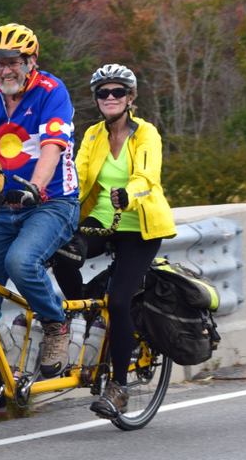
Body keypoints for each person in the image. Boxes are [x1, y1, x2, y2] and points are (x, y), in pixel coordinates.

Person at [0, 23, 80, 378]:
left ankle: (56, 324)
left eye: (13, 61)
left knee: (20, 262)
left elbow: (52, 148)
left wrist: (35, 187)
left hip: (51, 203)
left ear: (31, 60)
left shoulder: (52, 92)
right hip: (1, 209)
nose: (5, 69)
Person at [53, 63, 176, 418]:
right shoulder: (92, 135)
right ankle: (83, 313)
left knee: (120, 301)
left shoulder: (146, 133)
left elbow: (148, 177)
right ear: (96, 99)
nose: (110, 97)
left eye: (117, 91)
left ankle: (118, 386)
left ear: (130, 97)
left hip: (139, 225)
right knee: (63, 255)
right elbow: (74, 174)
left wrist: (129, 193)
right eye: (103, 92)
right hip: (100, 220)